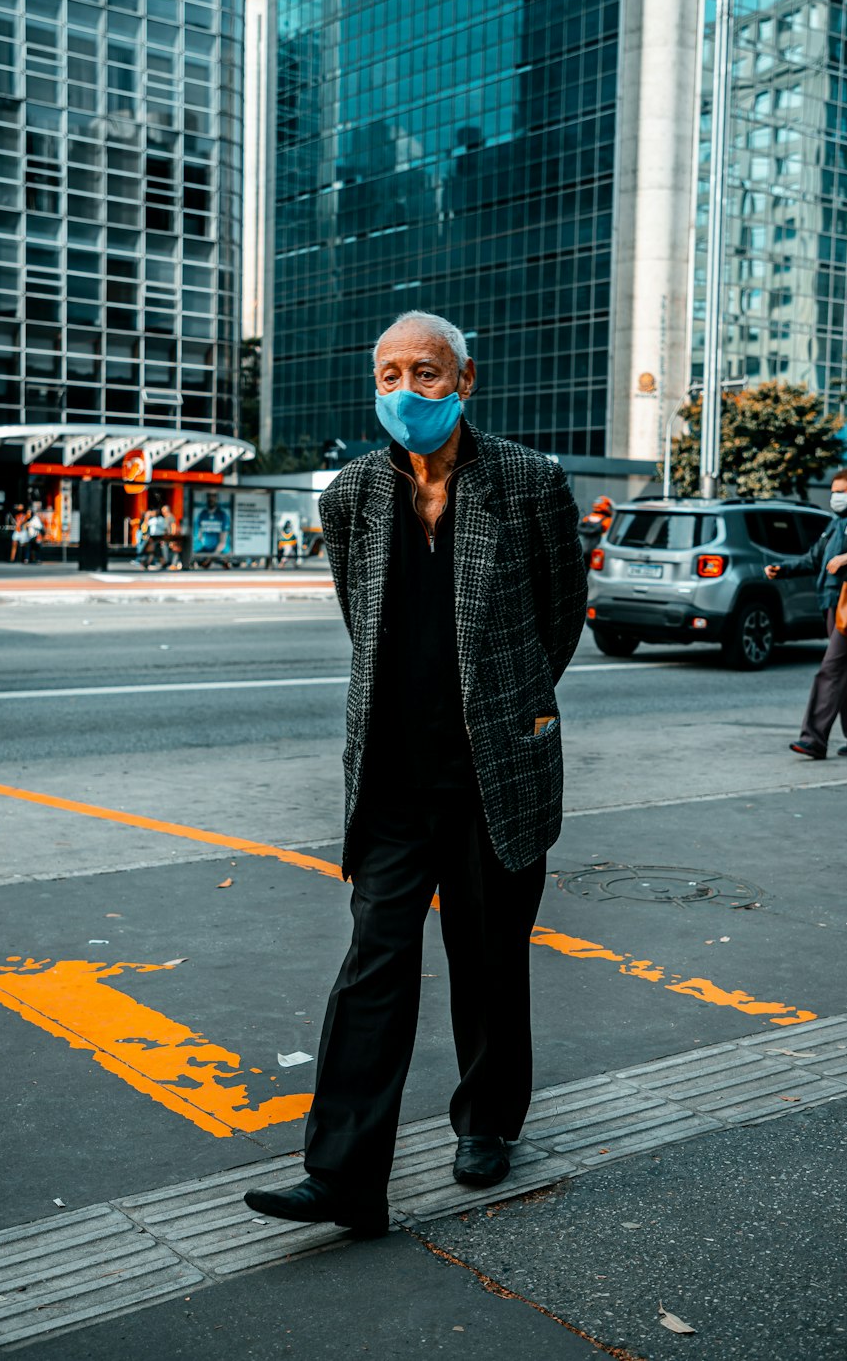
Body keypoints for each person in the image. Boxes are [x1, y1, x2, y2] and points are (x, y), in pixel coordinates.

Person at [244, 309, 586, 1236]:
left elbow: (561, 619)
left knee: (487, 961)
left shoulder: (527, 482)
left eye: (426, 375)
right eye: (389, 374)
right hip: (392, 778)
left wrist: (504, 709)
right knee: (373, 967)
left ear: (464, 382)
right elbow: (367, 623)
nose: (406, 393)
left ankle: (486, 1124)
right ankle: (346, 1176)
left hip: (494, 776)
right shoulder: (351, 495)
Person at [766, 466, 847, 758]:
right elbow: (814, 559)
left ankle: (813, 739)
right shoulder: (834, 524)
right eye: (833, 492)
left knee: (832, 668)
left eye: (841, 491)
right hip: (831, 602)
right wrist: (782, 569)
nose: (835, 497)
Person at [193, 492, 231, 568]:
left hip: (220, 553)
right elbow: (199, 537)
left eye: (213, 496)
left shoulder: (222, 515)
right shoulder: (202, 514)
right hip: (206, 551)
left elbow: (222, 542)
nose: (211, 498)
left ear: (217, 498)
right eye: (209, 496)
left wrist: (209, 558)